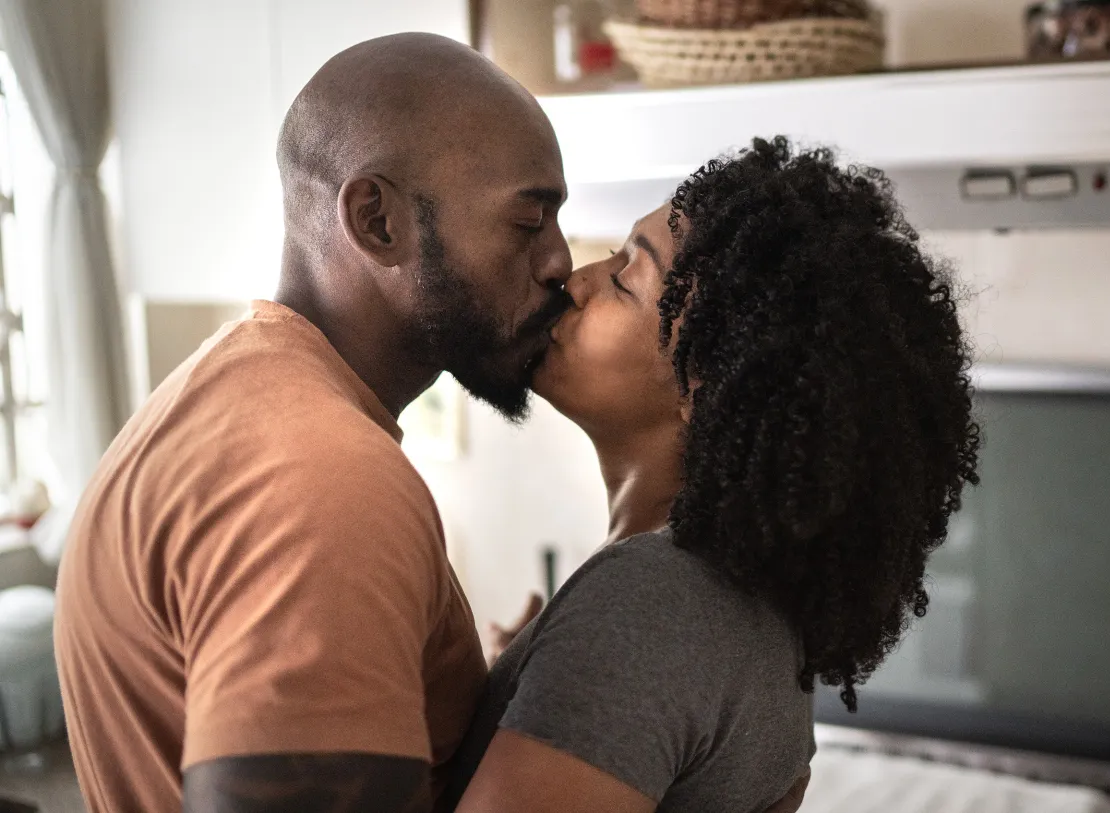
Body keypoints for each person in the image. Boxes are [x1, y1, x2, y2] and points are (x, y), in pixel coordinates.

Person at [52, 34, 573, 812]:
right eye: (529, 221)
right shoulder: (320, 476)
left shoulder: (242, 401)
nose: (561, 262)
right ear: (377, 220)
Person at [444, 137, 982, 813]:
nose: (576, 282)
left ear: (707, 384)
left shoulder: (651, 601)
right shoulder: (738, 610)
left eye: (623, 280)